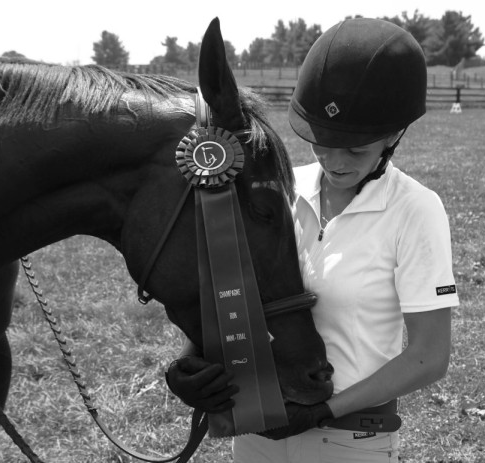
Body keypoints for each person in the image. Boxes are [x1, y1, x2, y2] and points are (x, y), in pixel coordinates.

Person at [165, 18, 459, 462]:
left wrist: (322, 411)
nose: (334, 160)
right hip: (256, 431)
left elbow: (429, 356)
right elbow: (236, 290)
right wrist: (189, 359)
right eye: (321, 141)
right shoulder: (278, 190)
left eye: (355, 149)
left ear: (394, 136)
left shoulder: (415, 209)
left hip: (349, 439)